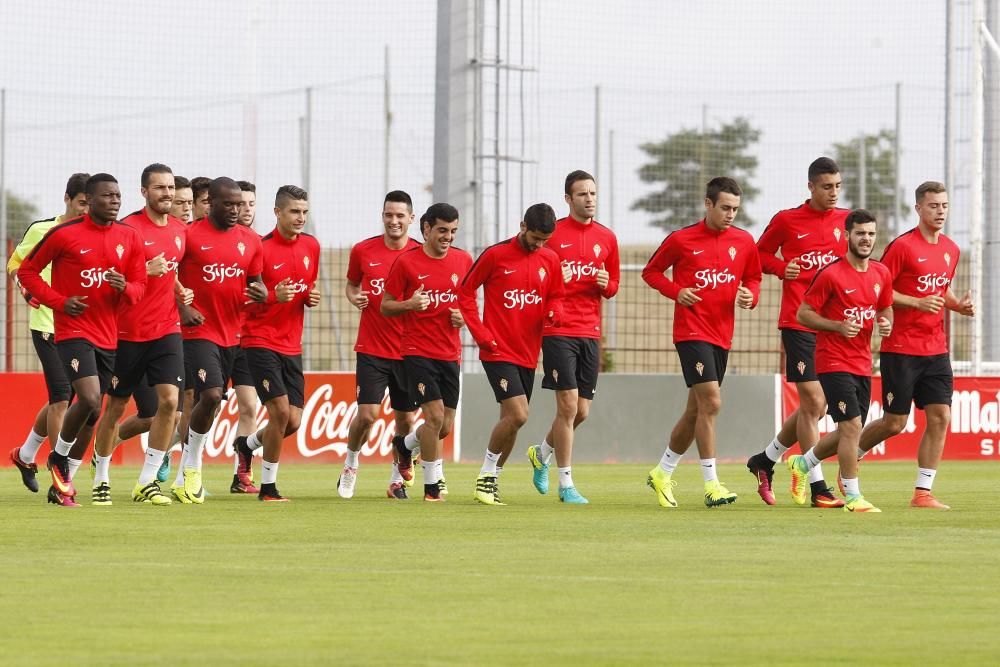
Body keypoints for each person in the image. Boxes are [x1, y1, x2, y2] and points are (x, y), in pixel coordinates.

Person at [17, 173, 147, 507]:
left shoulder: (129, 238)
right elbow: (27, 272)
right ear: (88, 201)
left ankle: (62, 484)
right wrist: (60, 302)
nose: (115, 201)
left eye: (118, 195)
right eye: (107, 196)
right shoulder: (63, 234)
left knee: (92, 414)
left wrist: (125, 288)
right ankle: (59, 460)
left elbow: (139, 287)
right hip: (72, 332)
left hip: (109, 336)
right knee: (87, 399)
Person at [643, 177, 762, 508]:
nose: (730, 215)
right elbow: (651, 272)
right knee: (712, 402)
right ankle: (711, 485)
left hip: (722, 335)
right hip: (691, 332)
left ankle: (662, 471)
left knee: (697, 409)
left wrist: (750, 296)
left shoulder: (744, 241)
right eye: (725, 207)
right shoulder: (682, 240)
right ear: (708, 204)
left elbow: (754, 276)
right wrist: (677, 292)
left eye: (736, 209)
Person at [854, 182, 974, 509]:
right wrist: (916, 303)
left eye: (944, 206)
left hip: (936, 348)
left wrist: (956, 306)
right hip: (901, 347)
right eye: (933, 206)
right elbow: (879, 289)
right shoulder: (903, 247)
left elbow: (942, 290)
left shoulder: (951, 249)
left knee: (940, 416)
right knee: (896, 422)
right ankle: (852, 457)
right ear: (918, 208)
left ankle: (923, 493)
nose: (940, 212)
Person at [746, 157, 848, 507]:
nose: (833, 193)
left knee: (815, 410)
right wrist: (780, 267)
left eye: (837, 186)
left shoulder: (846, 221)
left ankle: (765, 459)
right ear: (810, 186)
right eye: (826, 186)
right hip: (798, 322)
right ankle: (818, 487)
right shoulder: (787, 220)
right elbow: (757, 255)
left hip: (833, 327)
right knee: (815, 402)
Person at [91, 163, 191, 506]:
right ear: (144, 192)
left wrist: (180, 289)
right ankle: (101, 474)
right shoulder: (127, 229)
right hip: (126, 332)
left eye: (170, 187)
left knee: (169, 402)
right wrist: (144, 271)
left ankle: (147, 481)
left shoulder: (180, 230)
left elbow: (171, 268)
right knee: (115, 407)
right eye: (159, 188)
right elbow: (108, 279)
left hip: (166, 329)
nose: (167, 193)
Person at [786, 209, 893, 513]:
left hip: (862, 362)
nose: (866, 239)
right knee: (851, 427)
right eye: (860, 233)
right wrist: (836, 325)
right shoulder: (831, 274)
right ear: (847, 236)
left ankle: (802, 463)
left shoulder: (880, 274)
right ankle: (853, 496)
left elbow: (886, 308)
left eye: (871, 234)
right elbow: (803, 313)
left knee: (851, 430)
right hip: (833, 361)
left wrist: (886, 323)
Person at [524, 170, 619, 504]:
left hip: (590, 332)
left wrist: (605, 282)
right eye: (582, 194)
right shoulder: (553, 234)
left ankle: (542, 453)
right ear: (568, 199)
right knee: (566, 407)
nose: (589, 198)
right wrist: (555, 280)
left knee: (581, 412)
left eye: (593, 193)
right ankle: (566, 485)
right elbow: (531, 280)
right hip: (558, 330)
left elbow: (613, 287)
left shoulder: (607, 238)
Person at [460, 203, 565, 505]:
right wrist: (481, 334)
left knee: (512, 420)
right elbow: (465, 293)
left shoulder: (550, 260)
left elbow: (557, 296)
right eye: (535, 237)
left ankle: (492, 481)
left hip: (527, 353)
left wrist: (555, 312)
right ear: (522, 226)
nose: (539, 244)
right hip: (497, 350)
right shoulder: (495, 255)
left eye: (544, 240)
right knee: (519, 414)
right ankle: (484, 476)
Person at [173, 177, 264, 503]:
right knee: (210, 394)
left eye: (239, 204)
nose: (236, 210)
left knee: (231, 402)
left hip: (236, 335)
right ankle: (193, 462)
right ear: (210, 202)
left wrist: (262, 292)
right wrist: (183, 308)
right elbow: (169, 272)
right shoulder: (189, 235)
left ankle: (192, 463)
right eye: (228, 204)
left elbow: (256, 282)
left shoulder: (251, 240)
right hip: (198, 332)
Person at [6, 173, 91, 497]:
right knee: (60, 397)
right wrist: (26, 292)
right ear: (67, 199)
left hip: (82, 329)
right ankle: (62, 477)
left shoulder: (94, 234)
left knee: (68, 397)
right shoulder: (43, 230)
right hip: (47, 324)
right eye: (81, 203)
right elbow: (16, 264)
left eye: (89, 204)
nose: (85, 210)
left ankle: (26, 455)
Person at [235, 185, 320, 501]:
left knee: (294, 421)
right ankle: (268, 488)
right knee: (280, 413)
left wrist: (309, 297)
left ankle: (247, 445)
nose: (300, 218)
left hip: (291, 346)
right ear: (277, 212)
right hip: (259, 341)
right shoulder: (259, 248)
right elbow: (241, 298)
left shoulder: (312, 247)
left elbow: (305, 289)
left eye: (304, 212)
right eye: (294, 211)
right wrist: (272, 297)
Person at [383, 203, 472, 502]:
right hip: (417, 352)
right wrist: (410, 304)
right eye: (442, 230)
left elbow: (468, 304)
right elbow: (386, 305)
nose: (448, 237)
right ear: (425, 229)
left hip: (450, 353)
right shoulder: (407, 263)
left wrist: (463, 317)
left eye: (453, 231)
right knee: (433, 418)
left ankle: (405, 445)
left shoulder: (464, 261)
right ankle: (432, 487)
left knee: (444, 426)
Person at [338, 190, 421, 500]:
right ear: (382, 216)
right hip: (372, 348)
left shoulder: (419, 254)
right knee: (368, 415)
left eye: (400, 215)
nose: (394, 221)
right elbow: (352, 283)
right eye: (389, 215)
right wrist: (353, 296)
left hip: (409, 351)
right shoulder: (364, 250)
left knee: (406, 420)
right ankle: (350, 463)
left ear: (412, 219)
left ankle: (396, 480)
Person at [228, 179, 263, 493]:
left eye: (252, 204)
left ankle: (242, 475)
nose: (247, 210)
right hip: (208, 337)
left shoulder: (258, 245)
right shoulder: (209, 238)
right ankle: (183, 470)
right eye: (242, 204)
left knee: (249, 407)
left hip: (246, 339)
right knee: (198, 406)